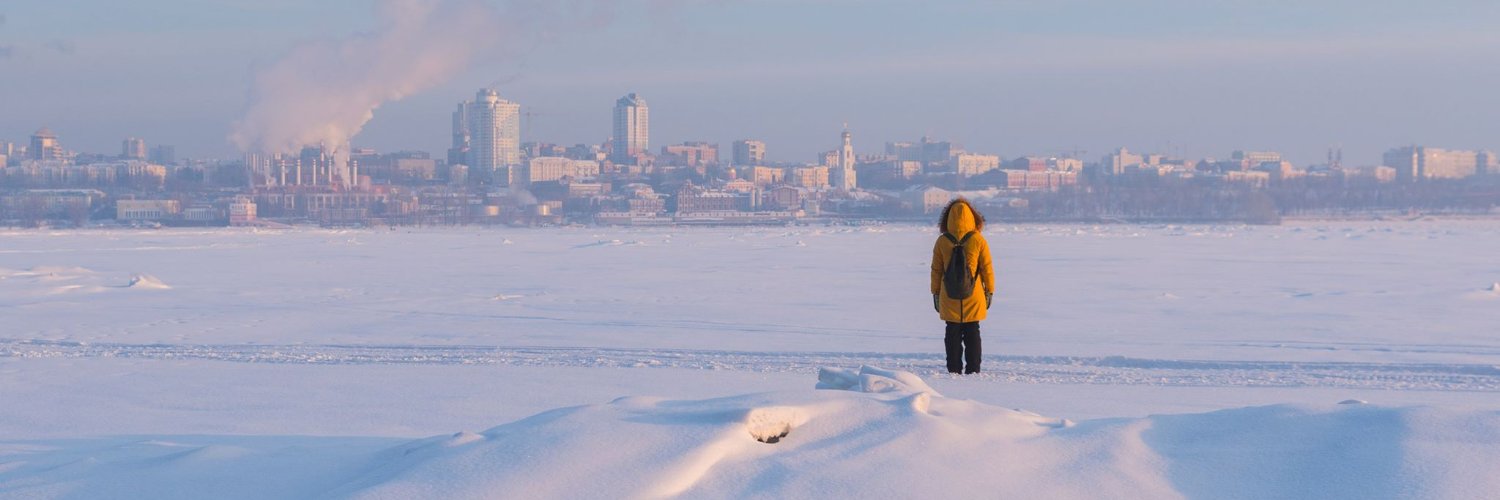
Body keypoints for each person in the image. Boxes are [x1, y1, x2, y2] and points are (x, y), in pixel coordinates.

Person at [930, 198, 995, 374]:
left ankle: (953, 369)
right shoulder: (978, 240)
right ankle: (973, 369)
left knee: (952, 332)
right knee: (973, 331)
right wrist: (989, 290)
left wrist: (935, 293)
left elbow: (936, 270)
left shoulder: (942, 241)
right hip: (974, 294)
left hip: (948, 295)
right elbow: (987, 268)